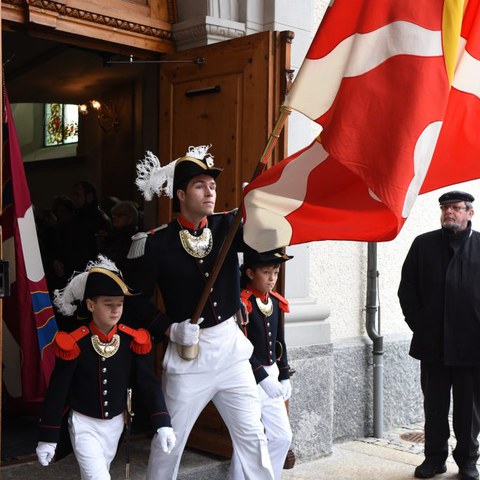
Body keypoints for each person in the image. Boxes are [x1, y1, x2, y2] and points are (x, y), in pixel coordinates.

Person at [125, 145, 274, 480]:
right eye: (199, 185)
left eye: (213, 186)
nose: (210, 191)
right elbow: (135, 302)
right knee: (169, 443)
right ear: (180, 194)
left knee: (254, 438)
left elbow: (265, 242)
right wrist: (168, 329)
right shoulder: (155, 243)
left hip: (232, 353)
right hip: (189, 355)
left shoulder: (229, 226)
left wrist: (260, 201)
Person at [35, 255, 176, 480]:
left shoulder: (132, 340)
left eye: (119, 304)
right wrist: (48, 436)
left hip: (116, 425)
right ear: (91, 305)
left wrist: (162, 422)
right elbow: (57, 390)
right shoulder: (75, 342)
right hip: (83, 425)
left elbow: (148, 383)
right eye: (108, 304)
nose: (115, 310)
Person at [398, 190, 480, 480]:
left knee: (468, 411)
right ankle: (434, 458)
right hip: (433, 344)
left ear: (469, 213)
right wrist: (421, 325)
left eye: (456, 208)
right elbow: (407, 290)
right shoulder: (423, 245)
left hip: (472, 345)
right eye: (445, 207)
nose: (449, 212)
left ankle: (468, 460)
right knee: (434, 406)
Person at [229, 248, 293, 480]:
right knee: (248, 441)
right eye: (266, 272)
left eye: (275, 272)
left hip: (272, 375)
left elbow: (279, 340)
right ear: (249, 272)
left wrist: (284, 373)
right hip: (248, 376)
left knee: (282, 436)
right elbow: (241, 345)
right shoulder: (242, 304)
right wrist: (262, 377)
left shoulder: (275, 302)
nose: (272, 278)